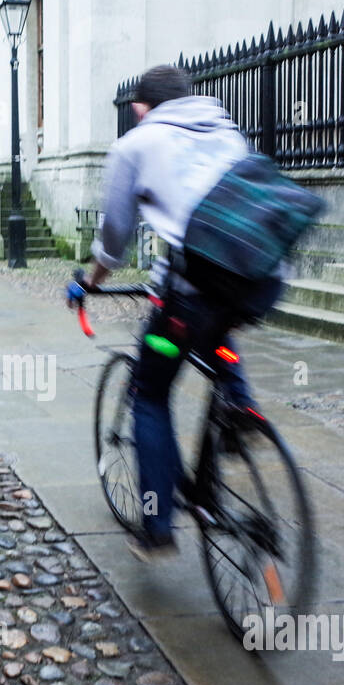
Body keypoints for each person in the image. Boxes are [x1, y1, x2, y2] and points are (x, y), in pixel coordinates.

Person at [76, 64, 281, 561]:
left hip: (187, 299)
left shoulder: (137, 145)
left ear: (142, 107)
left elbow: (114, 240)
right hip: (259, 283)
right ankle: (240, 407)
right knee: (219, 334)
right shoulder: (230, 132)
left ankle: (157, 524)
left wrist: (88, 283)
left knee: (149, 392)